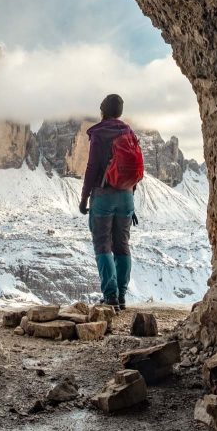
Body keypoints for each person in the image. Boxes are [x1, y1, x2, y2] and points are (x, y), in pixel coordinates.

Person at [79, 93, 136, 310]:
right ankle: (122, 296)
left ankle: (110, 296)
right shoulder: (128, 132)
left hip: (103, 195)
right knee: (122, 245)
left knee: (103, 245)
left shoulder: (99, 133)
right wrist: (130, 197)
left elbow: (92, 167)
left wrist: (84, 198)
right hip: (127, 195)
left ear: (102, 111)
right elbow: (134, 168)